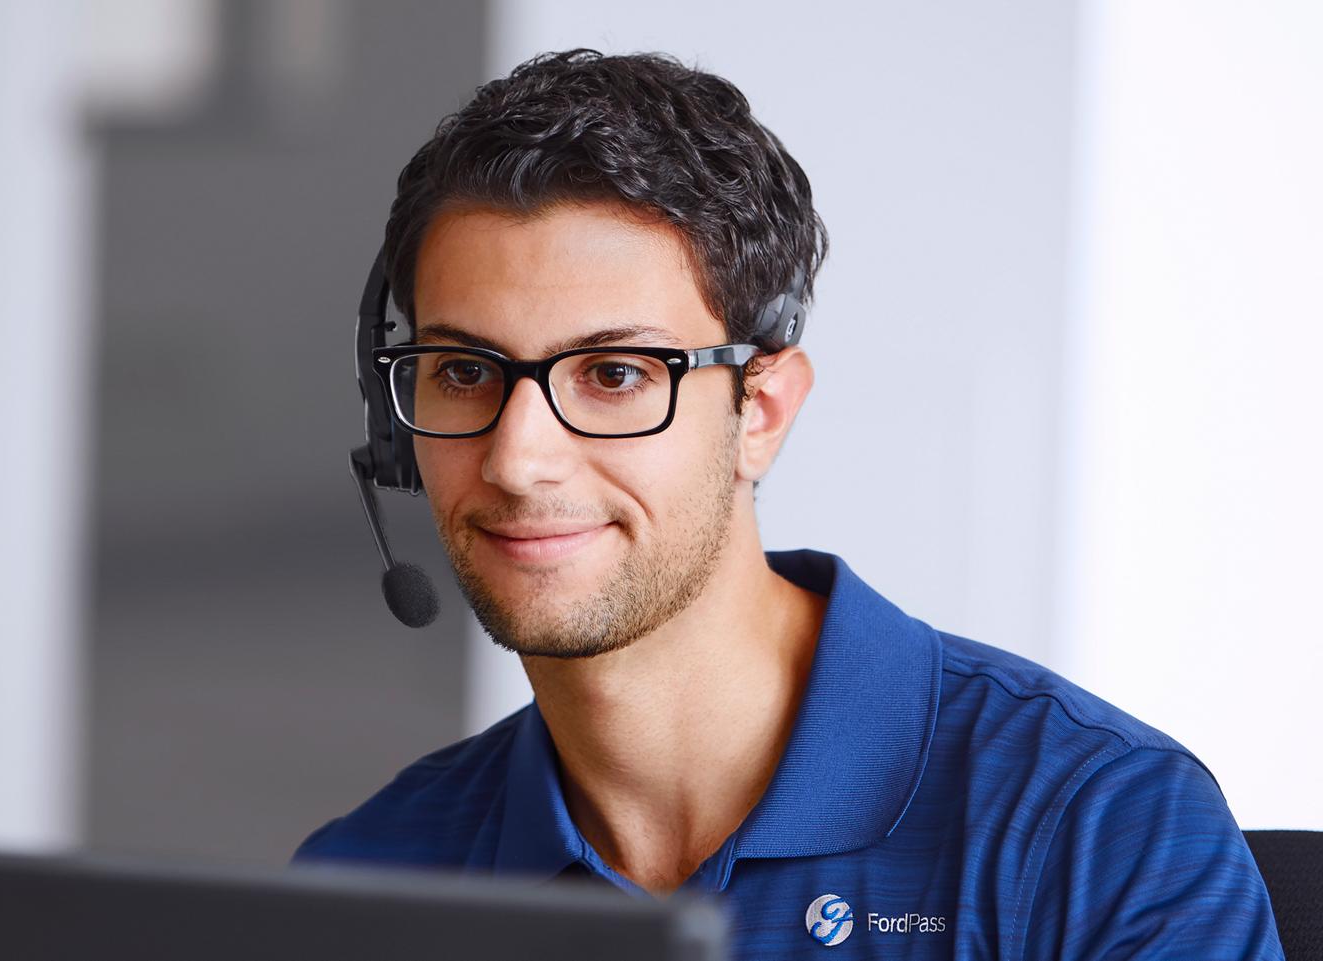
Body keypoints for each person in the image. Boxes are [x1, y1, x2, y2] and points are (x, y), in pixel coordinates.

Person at [293, 49, 1283, 959]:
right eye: (464, 370)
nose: (517, 460)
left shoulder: (1095, 830)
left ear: (760, 410)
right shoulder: (368, 881)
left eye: (615, 373)